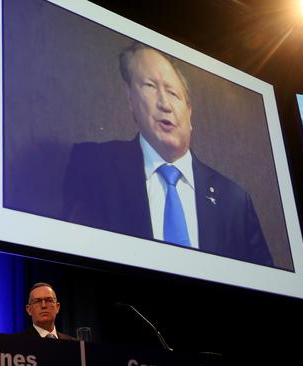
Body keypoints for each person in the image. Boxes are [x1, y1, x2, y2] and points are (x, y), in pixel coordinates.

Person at [62, 42, 273, 266]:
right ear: (130, 99)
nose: (165, 104)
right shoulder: (93, 165)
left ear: (189, 112)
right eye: (151, 86)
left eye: (173, 93)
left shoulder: (235, 200)